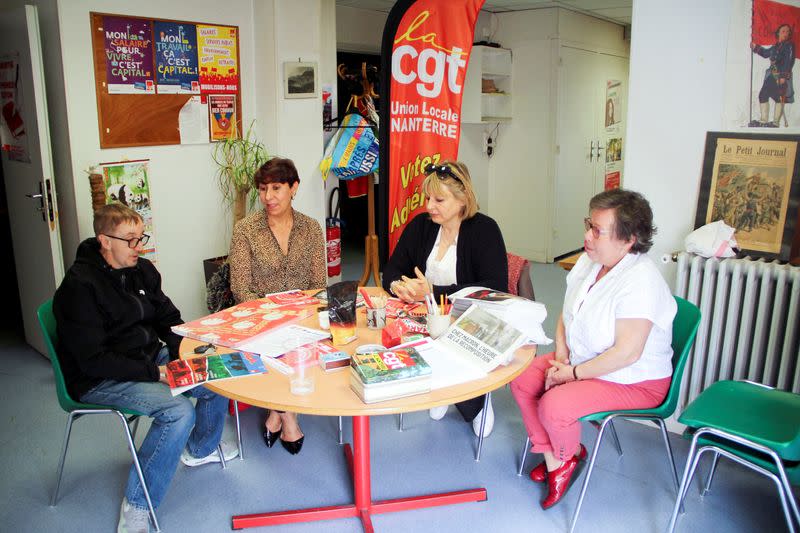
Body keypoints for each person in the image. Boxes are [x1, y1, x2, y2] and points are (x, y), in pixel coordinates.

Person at [53, 204, 236, 533]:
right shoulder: (79, 288)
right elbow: (94, 359)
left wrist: (190, 350)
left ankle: (199, 450)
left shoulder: (142, 271)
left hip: (148, 359)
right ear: (104, 241)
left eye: (141, 237)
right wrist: (156, 374)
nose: (140, 247)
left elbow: (167, 318)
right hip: (99, 377)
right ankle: (136, 505)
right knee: (179, 412)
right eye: (130, 240)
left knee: (215, 374)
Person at [510, 188, 676, 510]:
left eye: (597, 230)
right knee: (523, 375)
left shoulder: (641, 280)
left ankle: (562, 459)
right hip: (583, 359)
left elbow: (627, 353)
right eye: (589, 224)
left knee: (554, 406)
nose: (586, 235)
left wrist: (571, 374)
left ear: (628, 240)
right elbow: (568, 311)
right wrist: (561, 354)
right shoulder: (591, 261)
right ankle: (560, 460)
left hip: (634, 380)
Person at [382, 160, 508, 437]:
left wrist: (432, 293)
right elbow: (392, 269)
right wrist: (398, 286)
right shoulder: (422, 226)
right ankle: (444, 387)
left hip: (470, 318)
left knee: (448, 339)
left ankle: (474, 400)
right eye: (428, 198)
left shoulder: (485, 230)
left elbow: (495, 288)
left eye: (439, 199)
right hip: (426, 314)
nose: (429, 206)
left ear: (463, 200)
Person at [228, 157, 326, 455]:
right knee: (279, 344)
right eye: (262, 189)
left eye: (276, 188)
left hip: (301, 316)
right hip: (259, 318)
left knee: (304, 339)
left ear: (293, 187)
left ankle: (275, 414)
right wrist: (272, 316)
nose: (267, 197)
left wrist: (302, 312)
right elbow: (240, 287)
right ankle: (289, 419)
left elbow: (319, 283)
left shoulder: (310, 228)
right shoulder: (246, 230)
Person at [751, 23, 795, 127]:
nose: (786, 33)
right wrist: (755, 47)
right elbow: (766, 53)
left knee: (778, 97)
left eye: (788, 32)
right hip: (772, 75)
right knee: (763, 95)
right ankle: (763, 121)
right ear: (778, 33)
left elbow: (789, 61)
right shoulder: (775, 47)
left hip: (781, 76)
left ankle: (775, 123)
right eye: (783, 31)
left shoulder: (789, 45)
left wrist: (783, 77)